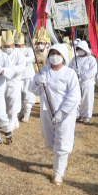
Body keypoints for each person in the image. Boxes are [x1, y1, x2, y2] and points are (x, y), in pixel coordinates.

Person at [29, 44, 81, 186]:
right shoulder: (43, 71)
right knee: (50, 141)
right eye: (52, 53)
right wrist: (37, 83)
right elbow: (32, 89)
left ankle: (58, 173)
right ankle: (60, 160)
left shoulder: (69, 74)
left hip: (65, 114)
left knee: (62, 142)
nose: (55, 56)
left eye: (58, 53)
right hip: (46, 112)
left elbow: (75, 96)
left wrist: (62, 112)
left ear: (63, 57)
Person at [2, 31, 26, 131]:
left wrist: (9, 69)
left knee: (13, 104)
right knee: (5, 104)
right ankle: (13, 121)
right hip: (3, 83)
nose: (7, 48)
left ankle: (12, 122)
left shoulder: (19, 55)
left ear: (13, 45)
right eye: (5, 46)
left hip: (15, 83)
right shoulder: (2, 53)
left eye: (9, 46)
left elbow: (21, 68)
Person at [69, 40, 97, 124]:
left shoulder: (91, 59)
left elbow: (92, 71)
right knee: (75, 99)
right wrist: (74, 72)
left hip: (87, 83)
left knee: (87, 100)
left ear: (85, 49)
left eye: (81, 49)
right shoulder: (75, 59)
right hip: (76, 83)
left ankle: (86, 116)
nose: (79, 50)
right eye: (78, 49)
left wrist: (82, 78)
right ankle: (76, 115)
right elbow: (69, 69)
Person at [16, 33, 35, 122]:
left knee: (28, 95)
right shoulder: (14, 51)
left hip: (27, 76)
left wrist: (21, 59)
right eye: (16, 45)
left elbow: (30, 59)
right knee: (19, 96)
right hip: (18, 76)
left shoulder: (29, 50)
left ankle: (26, 114)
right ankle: (21, 113)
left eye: (19, 45)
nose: (17, 47)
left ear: (23, 45)